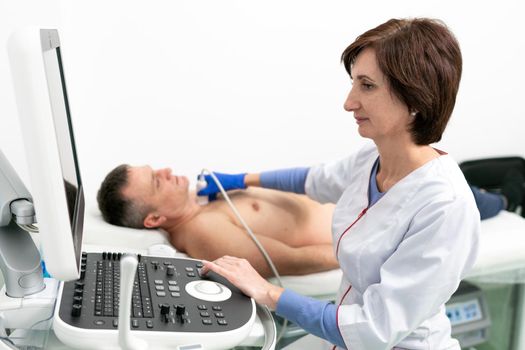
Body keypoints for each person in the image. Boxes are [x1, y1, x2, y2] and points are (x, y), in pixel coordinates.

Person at [198, 18, 480, 349]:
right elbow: (313, 179)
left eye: (367, 86)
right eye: (353, 83)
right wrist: (239, 179)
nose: (349, 102)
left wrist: (269, 293)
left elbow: (375, 327)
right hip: (342, 333)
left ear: (415, 99)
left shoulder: (445, 207)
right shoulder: (371, 159)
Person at [96, 164, 339, 277]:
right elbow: (292, 261)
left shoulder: (199, 199)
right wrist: (360, 251)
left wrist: (244, 180)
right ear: (154, 219)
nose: (167, 171)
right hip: (358, 232)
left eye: (156, 170)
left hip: (355, 204)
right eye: (157, 182)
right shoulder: (203, 230)